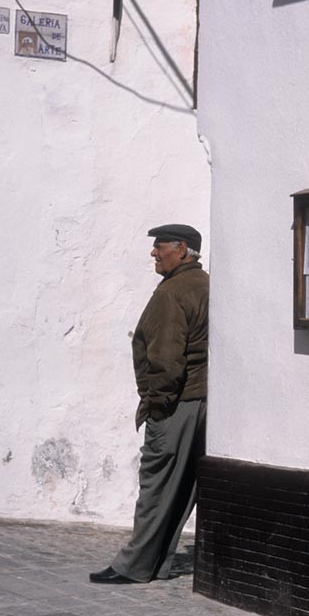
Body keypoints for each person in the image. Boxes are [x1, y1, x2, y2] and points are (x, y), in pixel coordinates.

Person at [90, 224, 209, 584]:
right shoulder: (204, 284)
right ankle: (155, 564)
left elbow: (166, 360)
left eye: (160, 246)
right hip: (200, 401)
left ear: (182, 249)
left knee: (156, 484)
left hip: (175, 404)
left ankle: (133, 566)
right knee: (181, 487)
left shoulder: (172, 292)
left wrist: (155, 404)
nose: (154, 253)